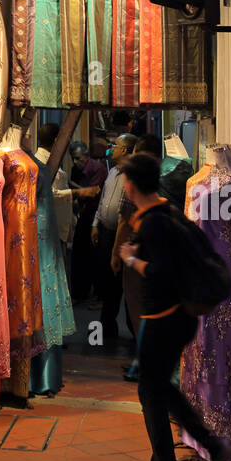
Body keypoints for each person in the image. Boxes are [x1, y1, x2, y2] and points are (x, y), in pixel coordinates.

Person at [116, 152, 231, 461]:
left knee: (151, 390)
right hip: (180, 318)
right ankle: (211, 447)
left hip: (163, 320)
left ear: (131, 184)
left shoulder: (153, 222)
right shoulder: (165, 211)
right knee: (161, 389)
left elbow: (160, 272)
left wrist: (132, 260)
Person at [92, 133, 137, 338]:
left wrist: (115, 249)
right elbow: (103, 200)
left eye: (116, 146)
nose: (112, 149)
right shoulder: (112, 173)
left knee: (123, 285)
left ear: (125, 150)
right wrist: (95, 224)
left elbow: (125, 216)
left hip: (123, 237)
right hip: (106, 233)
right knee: (107, 283)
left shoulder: (132, 176)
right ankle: (107, 328)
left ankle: (133, 329)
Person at [68, 141, 106, 304]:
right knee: (79, 255)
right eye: (73, 159)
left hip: (95, 215)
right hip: (83, 214)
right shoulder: (75, 170)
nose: (76, 162)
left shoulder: (97, 168)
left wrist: (73, 190)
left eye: (79, 158)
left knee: (94, 256)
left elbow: (93, 193)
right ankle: (79, 294)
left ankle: (97, 295)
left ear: (86, 156)